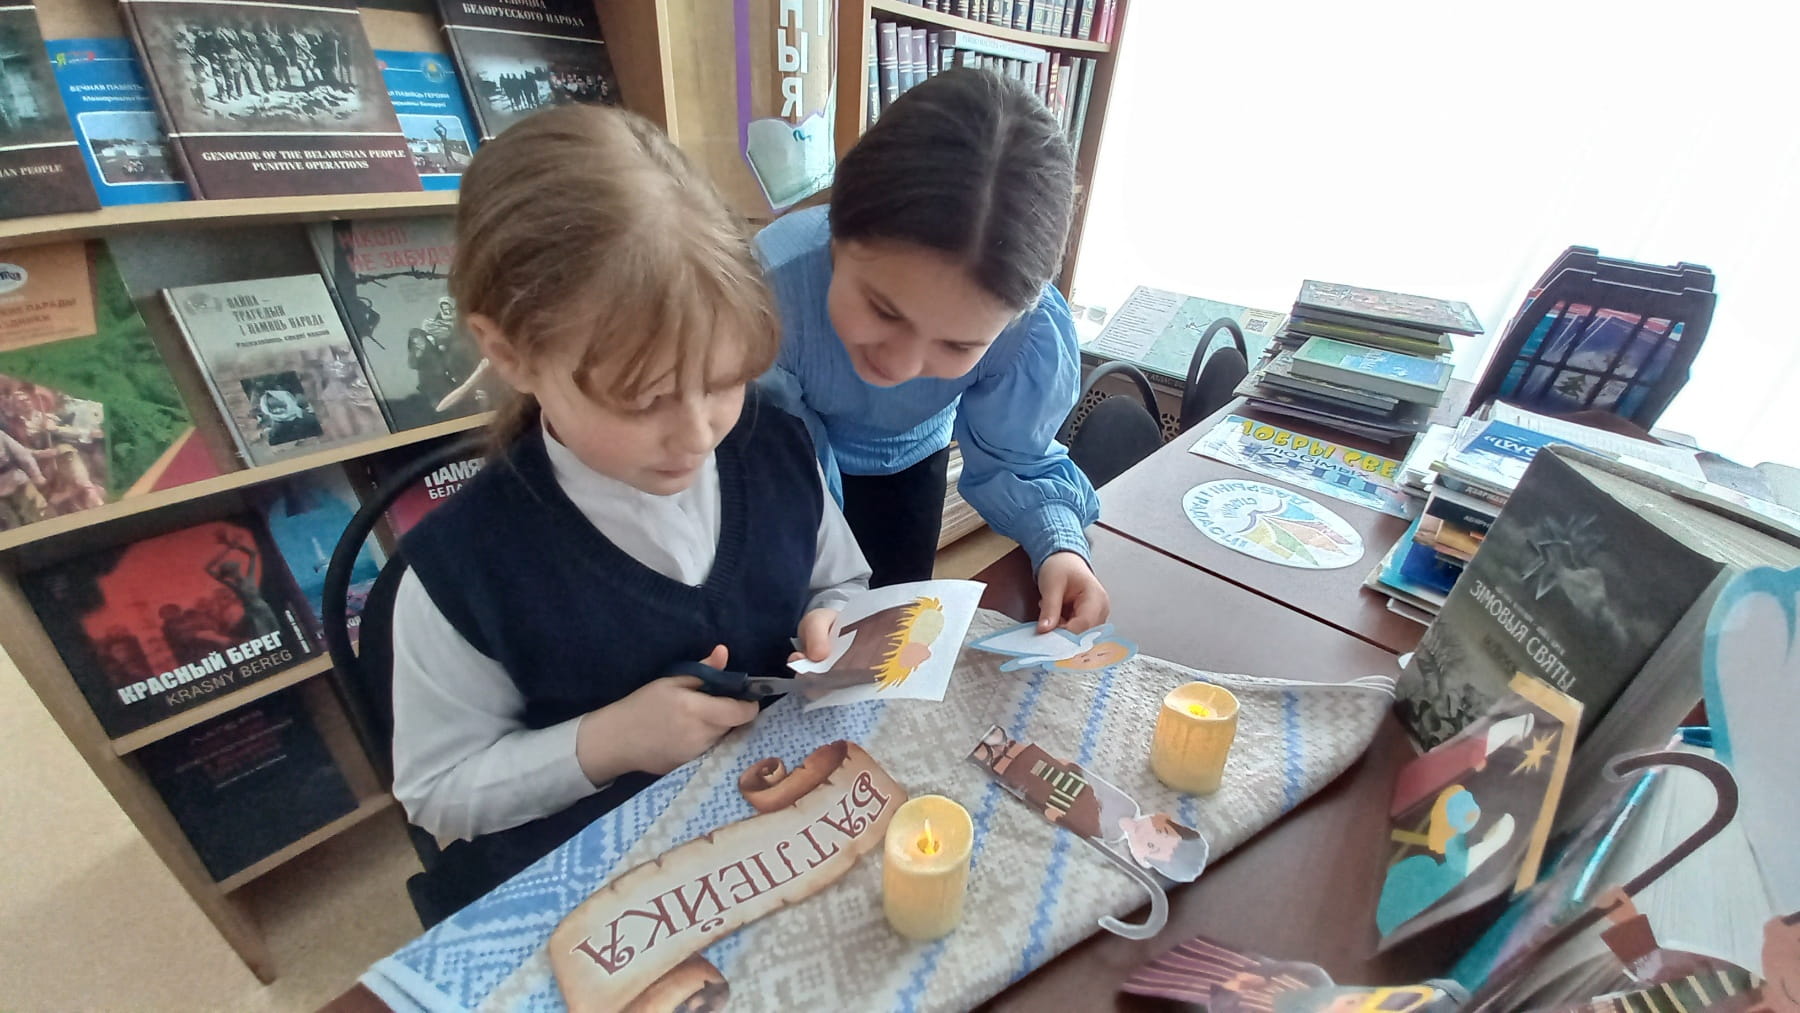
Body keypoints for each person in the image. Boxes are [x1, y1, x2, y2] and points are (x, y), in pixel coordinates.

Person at [388, 104, 872, 922]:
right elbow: (437, 790)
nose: (698, 434)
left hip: (782, 828)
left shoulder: (773, 444)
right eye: (644, 399)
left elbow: (842, 579)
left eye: (724, 380)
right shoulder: (462, 567)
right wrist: (607, 741)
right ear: (509, 353)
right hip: (608, 887)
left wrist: (835, 619)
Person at [755, 68, 1109, 633]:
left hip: (913, 471)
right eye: (883, 310)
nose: (898, 366)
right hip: (780, 475)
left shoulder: (1026, 325)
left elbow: (1018, 456)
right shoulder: (768, 291)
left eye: (958, 344)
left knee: (888, 633)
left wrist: (1059, 545)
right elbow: (775, 470)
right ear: (837, 230)